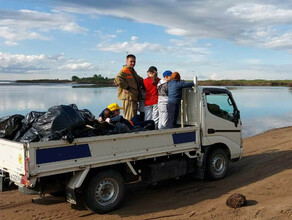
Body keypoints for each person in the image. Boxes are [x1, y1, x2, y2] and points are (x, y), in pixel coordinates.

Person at [114, 54, 144, 120]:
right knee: (129, 116)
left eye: (134, 62)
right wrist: (126, 87)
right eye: (131, 61)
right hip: (129, 97)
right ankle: (129, 129)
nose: (133, 63)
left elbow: (140, 80)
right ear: (126, 61)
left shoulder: (132, 71)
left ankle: (133, 127)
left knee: (133, 115)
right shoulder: (125, 70)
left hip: (133, 97)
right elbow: (117, 79)